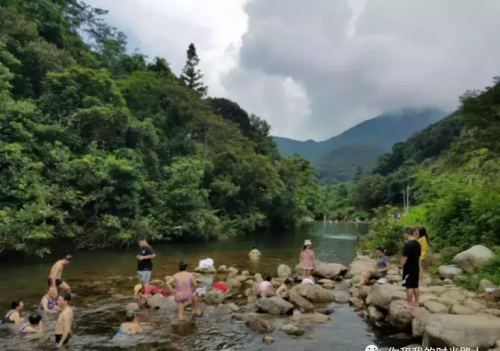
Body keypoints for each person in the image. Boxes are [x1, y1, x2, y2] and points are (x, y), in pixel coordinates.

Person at [399, 227, 421, 308]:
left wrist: (400, 267)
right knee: (415, 285)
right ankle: (417, 302)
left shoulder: (408, 244)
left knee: (409, 286)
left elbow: (404, 257)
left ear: (406, 234)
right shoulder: (417, 243)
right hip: (416, 267)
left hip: (409, 268)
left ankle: (409, 303)